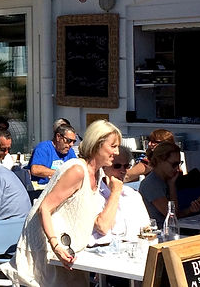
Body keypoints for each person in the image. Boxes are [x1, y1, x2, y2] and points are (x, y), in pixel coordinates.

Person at [8, 119, 121, 287]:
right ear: (97, 144)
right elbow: (44, 208)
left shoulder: (98, 174)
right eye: (113, 146)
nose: (117, 152)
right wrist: (56, 245)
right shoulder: (77, 170)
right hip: (48, 250)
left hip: (70, 250)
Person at [91, 144, 151, 245]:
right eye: (117, 166)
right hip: (102, 249)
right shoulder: (94, 194)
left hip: (134, 247)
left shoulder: (133, 195)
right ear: (104, 167)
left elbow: (146, 228)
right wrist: (115, 192)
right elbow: (102, 228)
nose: (123, 171)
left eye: (126, 166)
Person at [139, 142, 200, 225]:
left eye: (179, 164)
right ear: (160, 161)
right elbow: (172, 215)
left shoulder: (166, 179)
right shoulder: (151, 184)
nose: (177, 168)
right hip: (159, 229)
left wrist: (190, 209)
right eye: (174, 164)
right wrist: (172, 186)